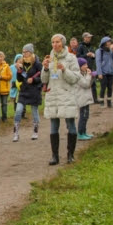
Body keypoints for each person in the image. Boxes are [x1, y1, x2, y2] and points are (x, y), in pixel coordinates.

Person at [42, 34, 81, 165]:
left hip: (67, 94)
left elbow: (75, 78)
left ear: (63, 43)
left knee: (70, 124)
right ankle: (55, 156)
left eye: (57, 42)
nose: (55, 44)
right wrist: (46, 68)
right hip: (53, 95)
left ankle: (70, 154)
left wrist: (64, 70)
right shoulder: (50, 58)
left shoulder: (71, 58)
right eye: (53, 42)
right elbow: (44, 80)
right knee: (54, 126)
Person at [12, 44, 43, 142]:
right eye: (23, 52)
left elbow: (42, 78)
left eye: (26, 52)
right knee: (18, 110)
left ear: (31, 52)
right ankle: (16, 132)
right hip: (24, 90)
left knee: (34, 111)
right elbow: (19, 78)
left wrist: (33, 80)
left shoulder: (37, 63)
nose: (24, 54)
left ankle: (35, 131)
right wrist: (19, 71)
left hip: (34, 90)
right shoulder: (22, 63)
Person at [95, 36, 113, 108]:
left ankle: (109, 102)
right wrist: (99, 73)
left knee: (110, 87)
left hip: (111, 72)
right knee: (103, 87)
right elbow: (98, 62)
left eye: (110, 41)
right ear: (104, 43)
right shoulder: (99, 51)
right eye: (108, 42)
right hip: (103, 72)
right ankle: (101, 102)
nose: (109, 43)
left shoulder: (111, 50)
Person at [76, 58, 95, 140]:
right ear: (79, 66)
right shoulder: (78, 75)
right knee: (83, 116)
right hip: (81, 98)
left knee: (86, 116)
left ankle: (84, 132)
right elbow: (85, 84)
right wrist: (88, 75)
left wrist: (92, 76)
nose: (86, 66)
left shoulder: (84, 74)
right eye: (84, 65)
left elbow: (89, 84)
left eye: (86, 64)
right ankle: (80, 133)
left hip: (86, 97)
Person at [77, 32, 98, 103]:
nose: (89, 38)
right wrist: (86, 54)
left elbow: (94, 56)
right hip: (83, 68)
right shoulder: (80, 46)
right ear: (84, 38)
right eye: (88, 37)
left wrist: (93, 56)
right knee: (86, 83)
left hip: (91, 66)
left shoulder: (91, 46)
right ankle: (85, 99)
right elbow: (78, 56)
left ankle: (95, 99)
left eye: (90, 37)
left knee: (93, 83)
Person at [0, 51, 12, 122]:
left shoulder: (6, 66)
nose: (0, 58)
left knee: (4, 104)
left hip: (5, 88)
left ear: (3, 57)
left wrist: (1, 77)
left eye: (1, 57)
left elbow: (10, 76)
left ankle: (4, 117)